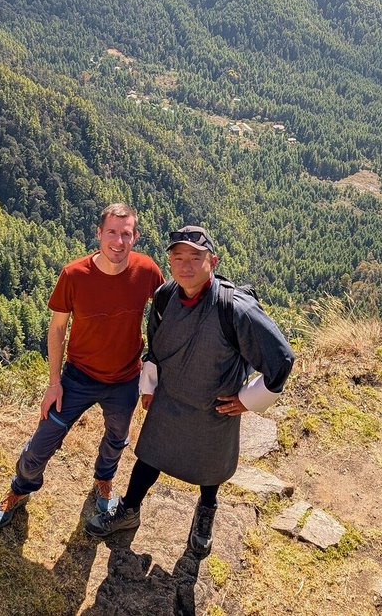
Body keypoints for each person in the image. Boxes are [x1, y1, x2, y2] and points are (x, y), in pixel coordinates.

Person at [84, 225, 295, 557]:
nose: (186, 265)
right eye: (178, 257)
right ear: (169, 261)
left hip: (215, 405)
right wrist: (149, 386)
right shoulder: (167, 296)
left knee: (210, 464)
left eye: (195, 258)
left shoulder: (234, 309)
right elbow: (155, 345)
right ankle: (129, 509)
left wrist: (246, 399)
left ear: (213, 260)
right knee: (151, 452)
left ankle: (205, 513)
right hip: (170, 397)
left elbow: (281, 359)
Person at [0, 203, 164, 529]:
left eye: (126, 234)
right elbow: (57, 329)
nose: (118, 241)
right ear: (98, 233)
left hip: (125, 377)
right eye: (112, 232)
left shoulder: (147, 272)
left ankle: (104, 479)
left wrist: (154, 375)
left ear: (135, 237)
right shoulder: (74, 275)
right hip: (78, 376)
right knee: (43, 441)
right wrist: (54, 383)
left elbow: (167, 317)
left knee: (117, 438)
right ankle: (20, 489)